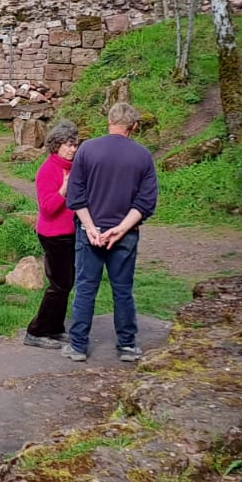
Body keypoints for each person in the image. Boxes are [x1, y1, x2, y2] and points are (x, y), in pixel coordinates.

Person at [63, 102, 158, 363]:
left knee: (85, 288)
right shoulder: (143, 156)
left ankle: (78, 346)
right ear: (134, 127)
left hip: (90, 232)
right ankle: (127, 345)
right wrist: (121, 229)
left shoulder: (87, 149)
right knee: (123, 289)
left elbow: (75, 195)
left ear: (109, 121)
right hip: (125, 234)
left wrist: (90, 227)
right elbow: (146, 202)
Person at [23, 120, 81, 349]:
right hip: (54, 235)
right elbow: (47, 208)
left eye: (75, 145)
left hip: (71, 232)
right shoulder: (48, 170)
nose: (73, 149)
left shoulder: (73, 167)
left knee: (66, 283)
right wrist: (64, 189)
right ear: (57, 145)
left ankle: (55, 327)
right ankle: (36, 331)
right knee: (59, 285)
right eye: (69, 145)